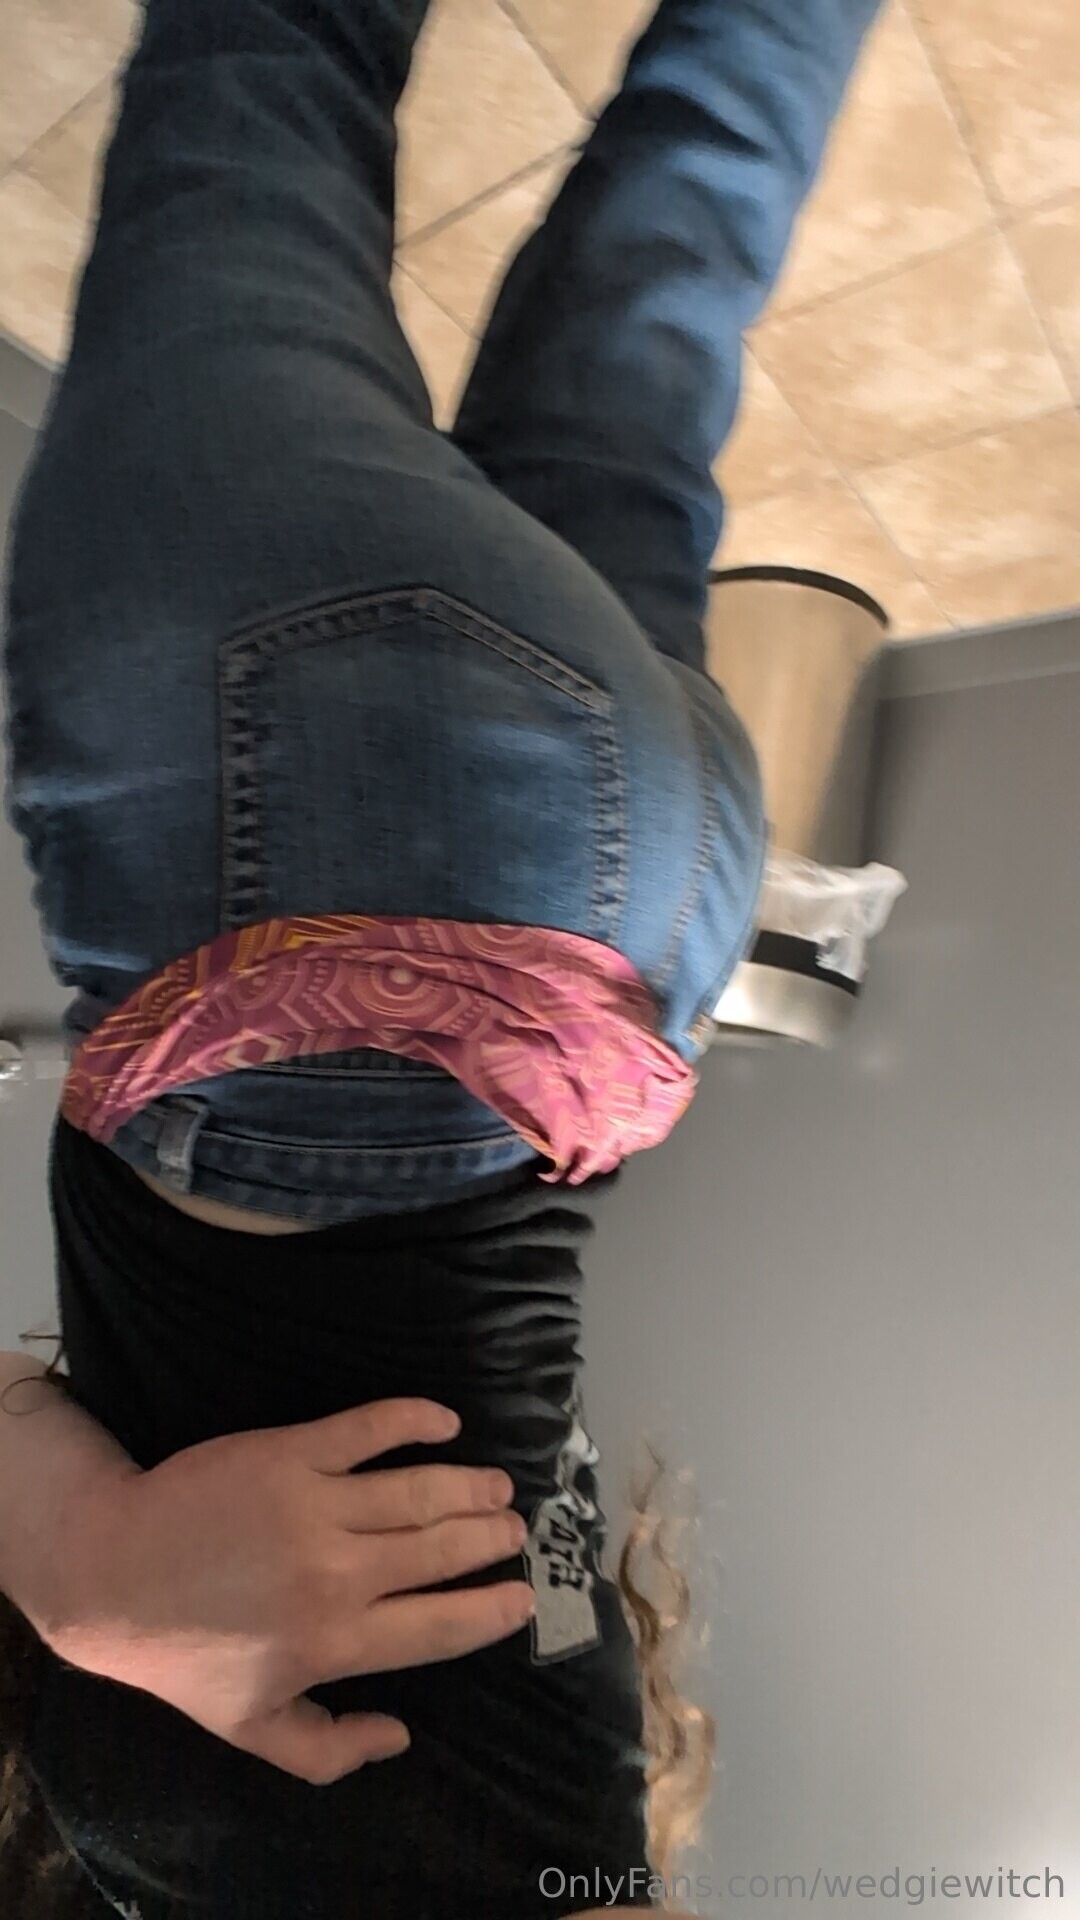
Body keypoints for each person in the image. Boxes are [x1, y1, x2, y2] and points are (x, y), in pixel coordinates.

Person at [0, 0, 882, 1913]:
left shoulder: (590, 1834)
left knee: (688, 224)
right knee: (268, 86)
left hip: (637, 968)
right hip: (312, 891)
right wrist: (71, 1565)